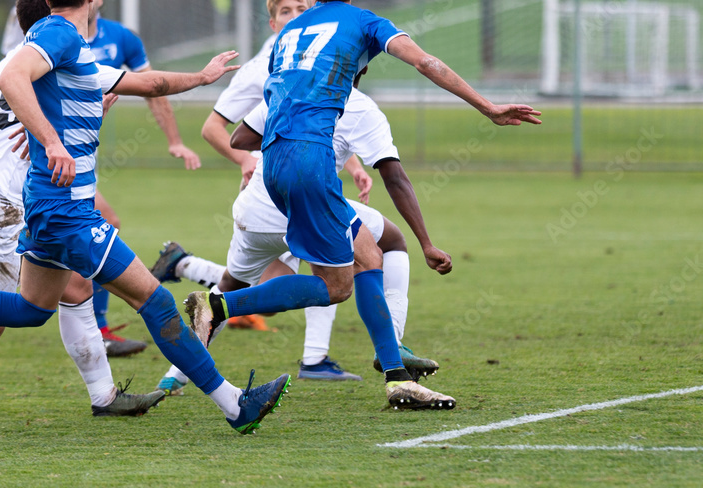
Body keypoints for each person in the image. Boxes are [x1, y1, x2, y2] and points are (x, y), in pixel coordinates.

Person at [0, 0, 291, 434]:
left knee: (33, 309)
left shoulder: (56, 46)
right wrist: (50, 139)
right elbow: (18, 79)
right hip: (59, 210)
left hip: (41, 206)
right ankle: (235, 404)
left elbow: (144, 84)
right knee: (154, 303)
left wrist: (201, 77)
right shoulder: (59, 36)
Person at [185, 0, 541, 410]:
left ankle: (397, 377)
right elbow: (426, 63)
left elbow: (248, 130)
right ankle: (218, 305)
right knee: (337, 287)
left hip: (275, 162)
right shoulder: (363, 22)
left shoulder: (291, 33)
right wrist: (488, 107)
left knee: (370, 252)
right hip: (309, 162)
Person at [150, 87, 439, 394]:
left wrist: (276, 152)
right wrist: (427, 243)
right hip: (307, 202)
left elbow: (241, 138)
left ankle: (175, 373)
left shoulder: (290, 83)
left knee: (239, 284)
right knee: (371, 254)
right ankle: (388, 359)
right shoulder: (360, 106)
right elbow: (393, 175)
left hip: (257, 204)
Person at [84, 0, 209, 356]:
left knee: (83, 237)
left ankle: (96, 327)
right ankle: (95, 327)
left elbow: (154, 89)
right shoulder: (57, 37)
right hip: (49, 154)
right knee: (87, 233)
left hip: (74, 157)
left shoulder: (122, 39)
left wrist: (175, 142)